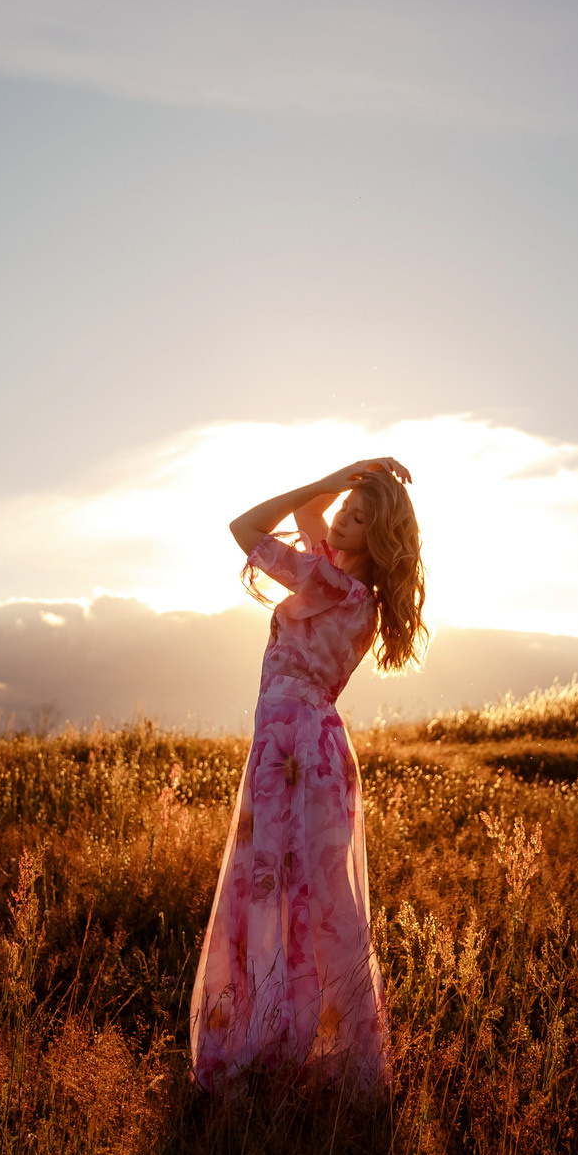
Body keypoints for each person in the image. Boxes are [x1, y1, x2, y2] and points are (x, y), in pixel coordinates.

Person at [188, 456, 427, 1093]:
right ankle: (286, 1036)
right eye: (344, 513)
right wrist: (343, 479)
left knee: (280, 892)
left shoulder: (336, 587)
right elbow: (307, 521)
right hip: (300, 746)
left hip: (295, 749)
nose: (340, 520)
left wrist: (328, 483)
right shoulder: (343, 584)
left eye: (357, 519)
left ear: (377, 539)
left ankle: (278, 1043)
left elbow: (245, 527)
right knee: (296, 896)